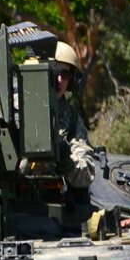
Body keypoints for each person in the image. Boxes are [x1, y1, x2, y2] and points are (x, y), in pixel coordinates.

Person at [51, 40, 97, 190]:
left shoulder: (71, 119)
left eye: (65, 75)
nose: (59, 80)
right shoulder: (16, 109)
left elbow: (86, 174)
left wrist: (66, 161)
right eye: (54, 73)